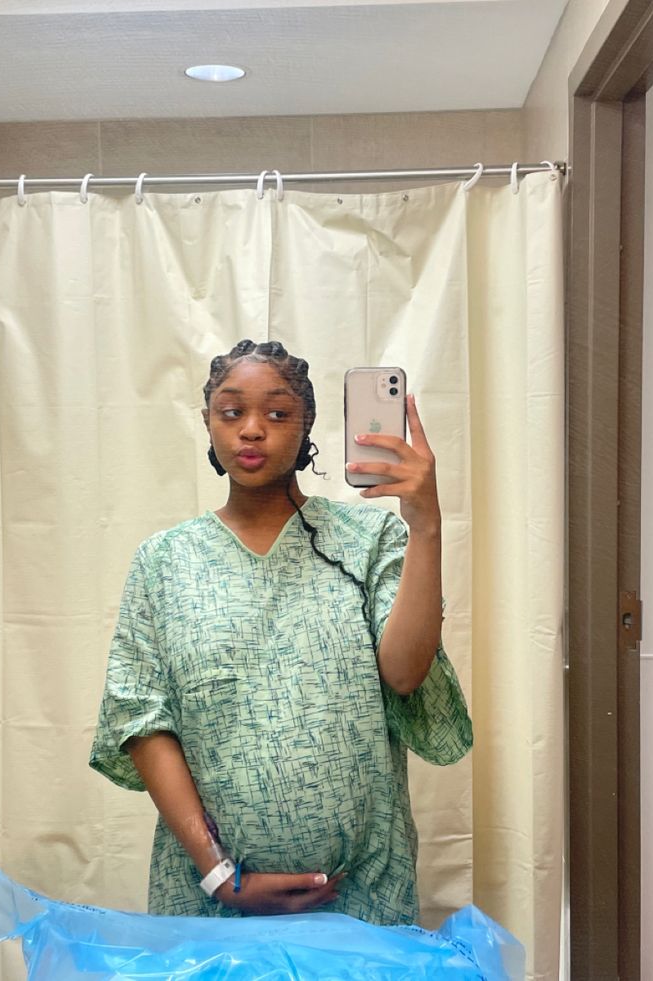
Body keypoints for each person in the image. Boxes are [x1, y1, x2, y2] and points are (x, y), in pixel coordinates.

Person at [89, 339, 472, 926]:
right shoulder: (165, 561)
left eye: (276, 412)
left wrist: (424, 524)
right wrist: (219, 874)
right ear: (208, 423)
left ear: (308, 422)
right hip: (207, 900)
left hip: (360, 892)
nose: (251, 430)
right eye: (231, 410)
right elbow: (142, 722)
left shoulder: (368, 542)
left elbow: (404, 672)